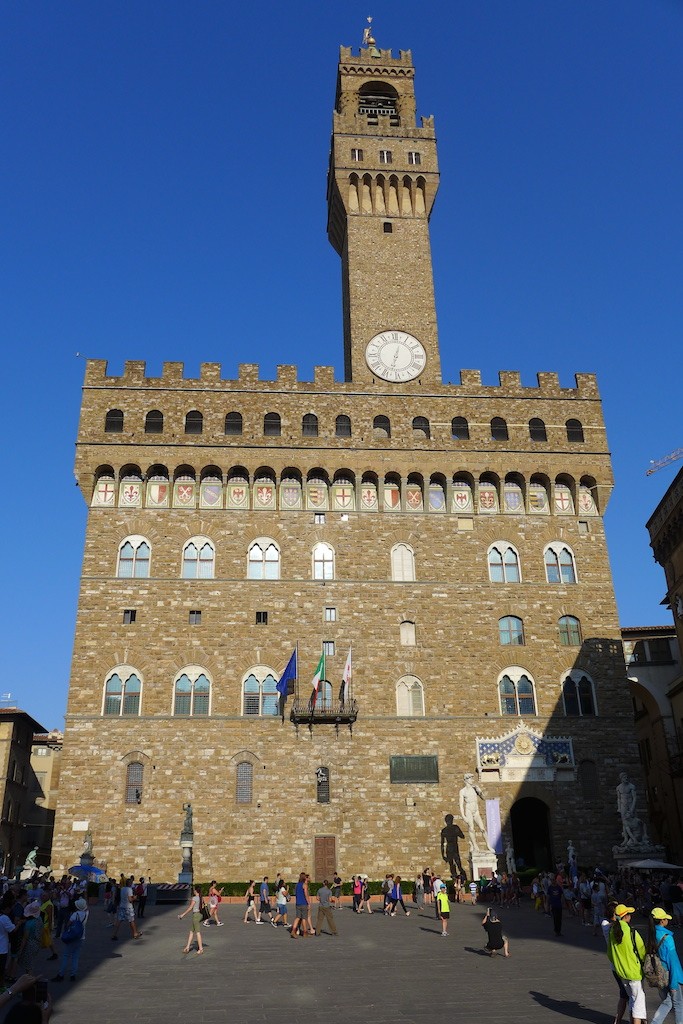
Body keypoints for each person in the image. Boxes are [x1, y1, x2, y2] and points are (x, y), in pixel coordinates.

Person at [606, 903, 647, 1024]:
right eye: (629, 914)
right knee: (638, 1007)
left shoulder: (612, 931)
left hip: (621, 972)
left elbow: (609, 954)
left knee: (632, 1001)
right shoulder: (631, 932)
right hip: (634, 972)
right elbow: (642, 951)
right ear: (626, 916)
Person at [649, 907, 683, 1024]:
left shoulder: (653, 934)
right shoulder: (667, 938)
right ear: (662, 921)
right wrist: (674, 984)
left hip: (660, 973)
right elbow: (673, 961)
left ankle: (655, 1022)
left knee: (668, 1002)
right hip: (670, 974)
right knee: (678, 1004)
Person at [600, 901, 629, 1024]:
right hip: (620, 964)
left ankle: (618, 1020)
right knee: (630, 994)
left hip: (616, 964)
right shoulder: (608, 925)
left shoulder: (613, 925)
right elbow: (614, 924)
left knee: (624, 994)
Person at [53, 896, 88, 982]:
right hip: (81, 936)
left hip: (72, 936)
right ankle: (73, 974)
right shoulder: (87, 913)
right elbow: (86, 908)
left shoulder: (74, 914)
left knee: (66, 955)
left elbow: (68, 924)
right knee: (75, 956)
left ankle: (61, 974)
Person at [112, 876, 141, 940]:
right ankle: (135, 933)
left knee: (119, 921)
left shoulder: (122, 889)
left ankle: (114, 934)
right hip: (128, 907)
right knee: (132, 921)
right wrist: (135, 898)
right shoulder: (129, 889)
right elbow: (130, 900)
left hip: (122, 906)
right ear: (130, 883)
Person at [16, 904, 42, 976]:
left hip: (29, 945)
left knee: (28, 967)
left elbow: (25, 938)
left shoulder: (28, 924)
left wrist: (20, 950)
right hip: (37, 943)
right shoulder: (39, 919)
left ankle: (30, 983)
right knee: (30, 964)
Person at [178, 885, 204, 955]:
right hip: (199, 915)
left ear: (195, 891)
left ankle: (201, 949)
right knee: (191, 931)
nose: (193, 890)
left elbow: (190, 908)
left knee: (197, 932)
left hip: (196, 915)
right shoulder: (201, 898)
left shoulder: (195, 898)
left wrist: (182, 914)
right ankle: (187, 947)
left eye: (194, 889)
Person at [290, 872, 310, 938]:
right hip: (303, 903)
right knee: (304, 918)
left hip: (298, 903)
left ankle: (293, 931)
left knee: (297, 917)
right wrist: (308, 903)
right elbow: (306, 894)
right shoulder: (304, 885)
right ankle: (305, 932)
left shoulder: (297, 885)